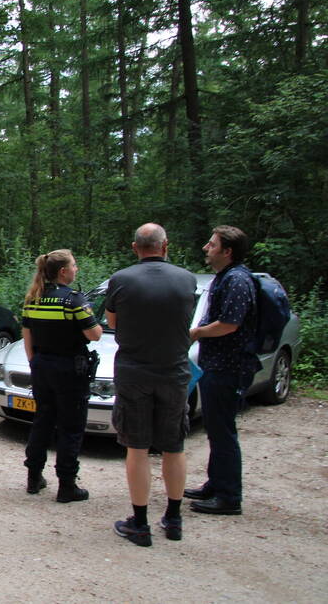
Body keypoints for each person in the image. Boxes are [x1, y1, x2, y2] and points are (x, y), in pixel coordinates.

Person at [105, 224, 197, 546]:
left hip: (134, 373)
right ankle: (174, 519)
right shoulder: (187, 279)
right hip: (174, 372)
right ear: (165, 245)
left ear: (135, 248)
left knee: (138, 447)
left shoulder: (121, 279)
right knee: (174, 445)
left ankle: (140, 523)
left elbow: (113, 323)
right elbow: (185, 321)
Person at [186, 225, 260, 516]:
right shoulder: (225, 278)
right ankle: (215, 484)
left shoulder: (238, 281)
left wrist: (196, 333)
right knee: (215, 429)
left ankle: (229, 496)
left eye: (212, 244)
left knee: (223, 431)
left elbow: (230, 324)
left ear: (227, 251)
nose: (206, 248)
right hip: (216, 365)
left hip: (229, 367)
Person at [21, 249, 102, 502]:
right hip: (69, 369)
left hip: (42, 366)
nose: (76, 269)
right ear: (63, 271)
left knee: (42, 420)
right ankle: (67, 485)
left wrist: (35, 363)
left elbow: (27, 336)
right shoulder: (74, 300)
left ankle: (34, 477)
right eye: (74, 266)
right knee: (71, 427)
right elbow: (95, 334)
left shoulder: (33, 298)